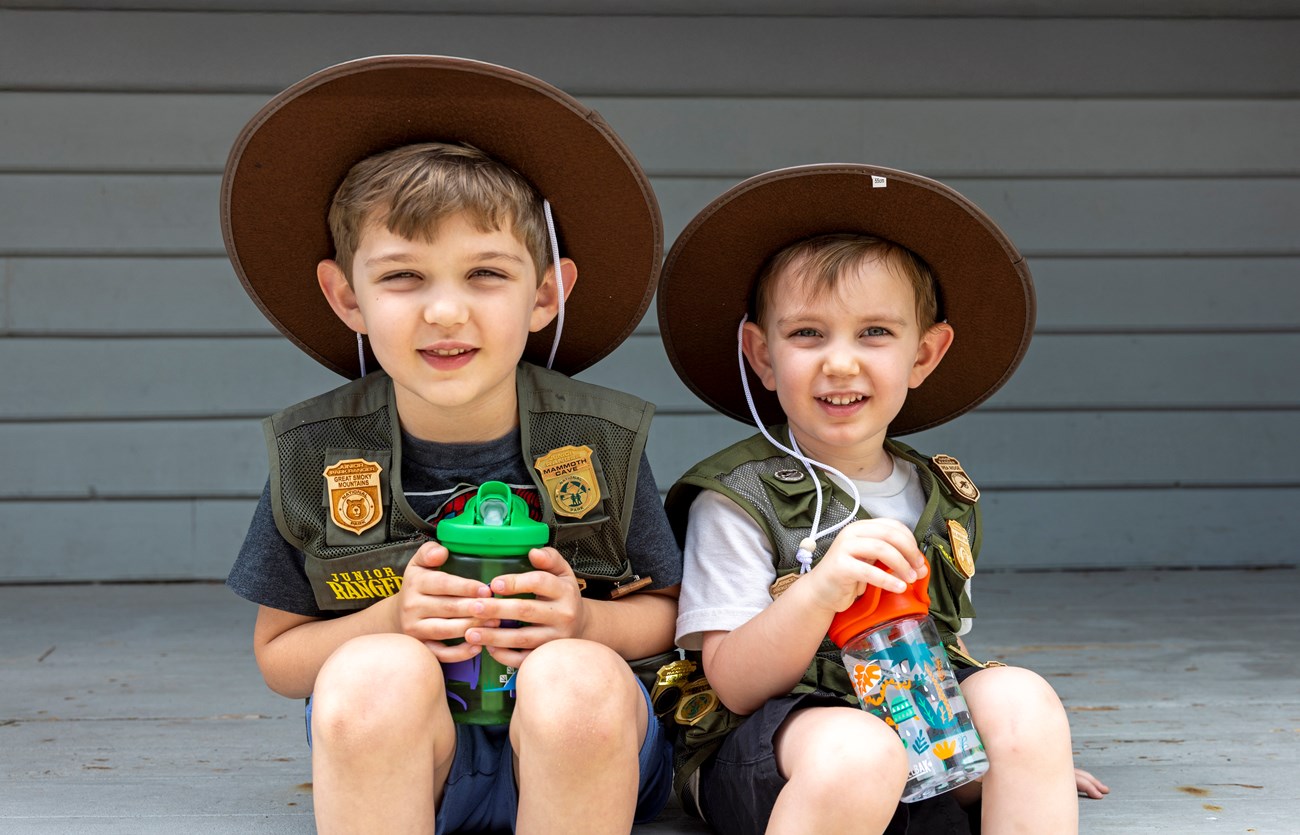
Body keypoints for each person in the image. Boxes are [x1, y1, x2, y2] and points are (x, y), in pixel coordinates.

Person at [222, 55, 681, 834]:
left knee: (574, 678)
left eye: (484, 275)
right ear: (347, 297)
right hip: (408, 753)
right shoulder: (320, 455)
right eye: (404, 277)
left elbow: (668, 613)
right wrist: (393, 617)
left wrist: (585, 623)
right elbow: (280, 655)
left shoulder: (596, 445)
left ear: (545, 295)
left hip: (588, 752)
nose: (444, 312)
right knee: (370, 673)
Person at [655, 165, 1108, 834]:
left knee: (1024, 702)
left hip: (918, 736)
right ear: (763, 354)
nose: (841, 362)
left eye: (874, 333)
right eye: (808, 333)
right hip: (781, 759)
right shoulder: (738, 497)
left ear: (924, 354)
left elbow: (942, 650)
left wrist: (1017, 758)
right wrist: (819, 590)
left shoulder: (936, 492)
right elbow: (733, 682)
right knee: (862, 752)